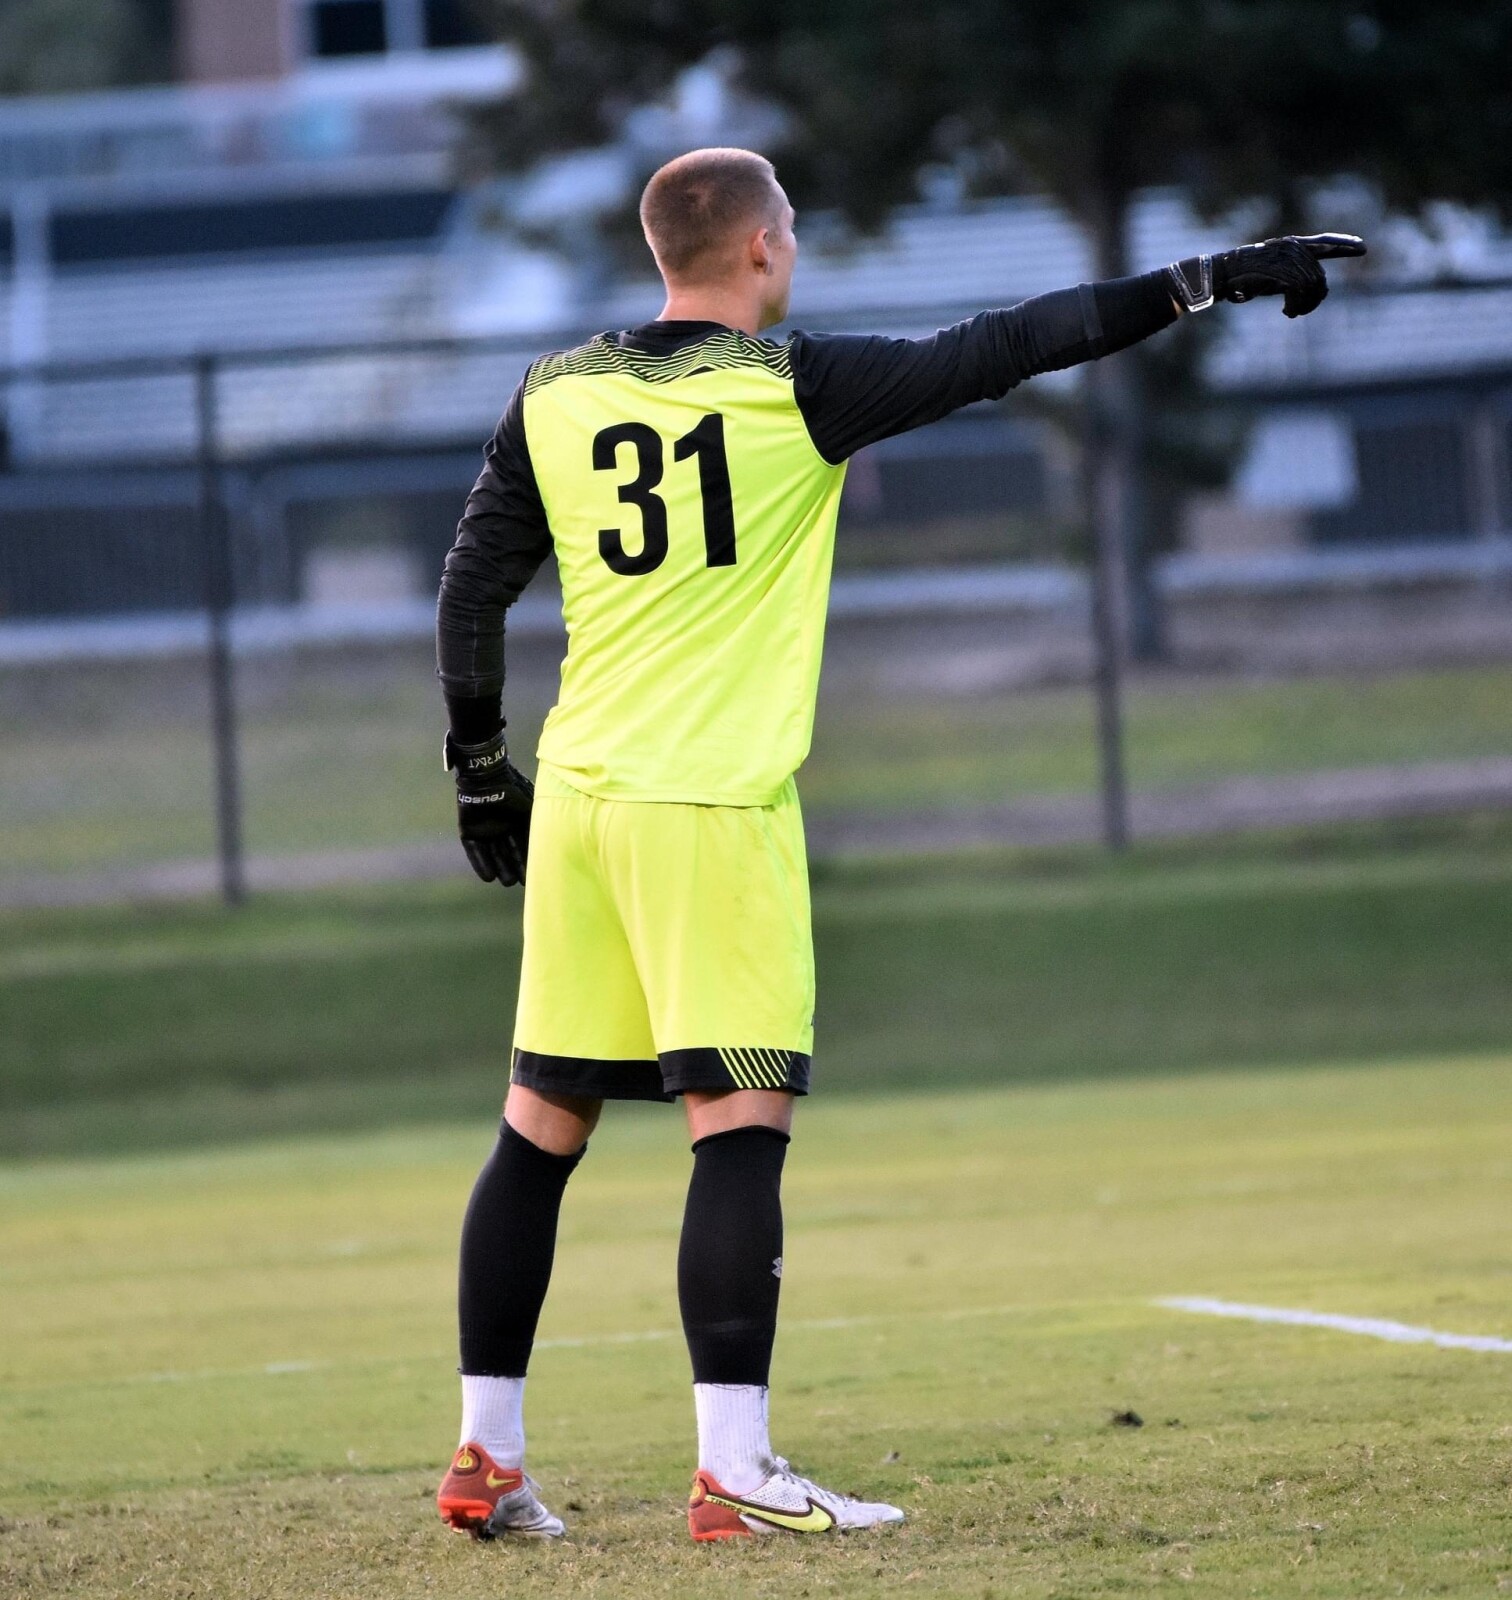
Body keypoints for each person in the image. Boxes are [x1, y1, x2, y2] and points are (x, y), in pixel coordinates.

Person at [431, 145, 1364, 1542]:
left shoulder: (555, 390)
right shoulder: (795, 385)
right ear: (760, 248)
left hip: (578, 805)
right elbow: (1009, 345)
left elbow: (470, 586)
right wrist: (1207, 277)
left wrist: (477, 770)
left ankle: (486, 1459)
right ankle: (734, 1473)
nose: (795, 249)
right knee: (737, 1131)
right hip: (712, 810)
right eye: (792, 229)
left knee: (539, 1130)